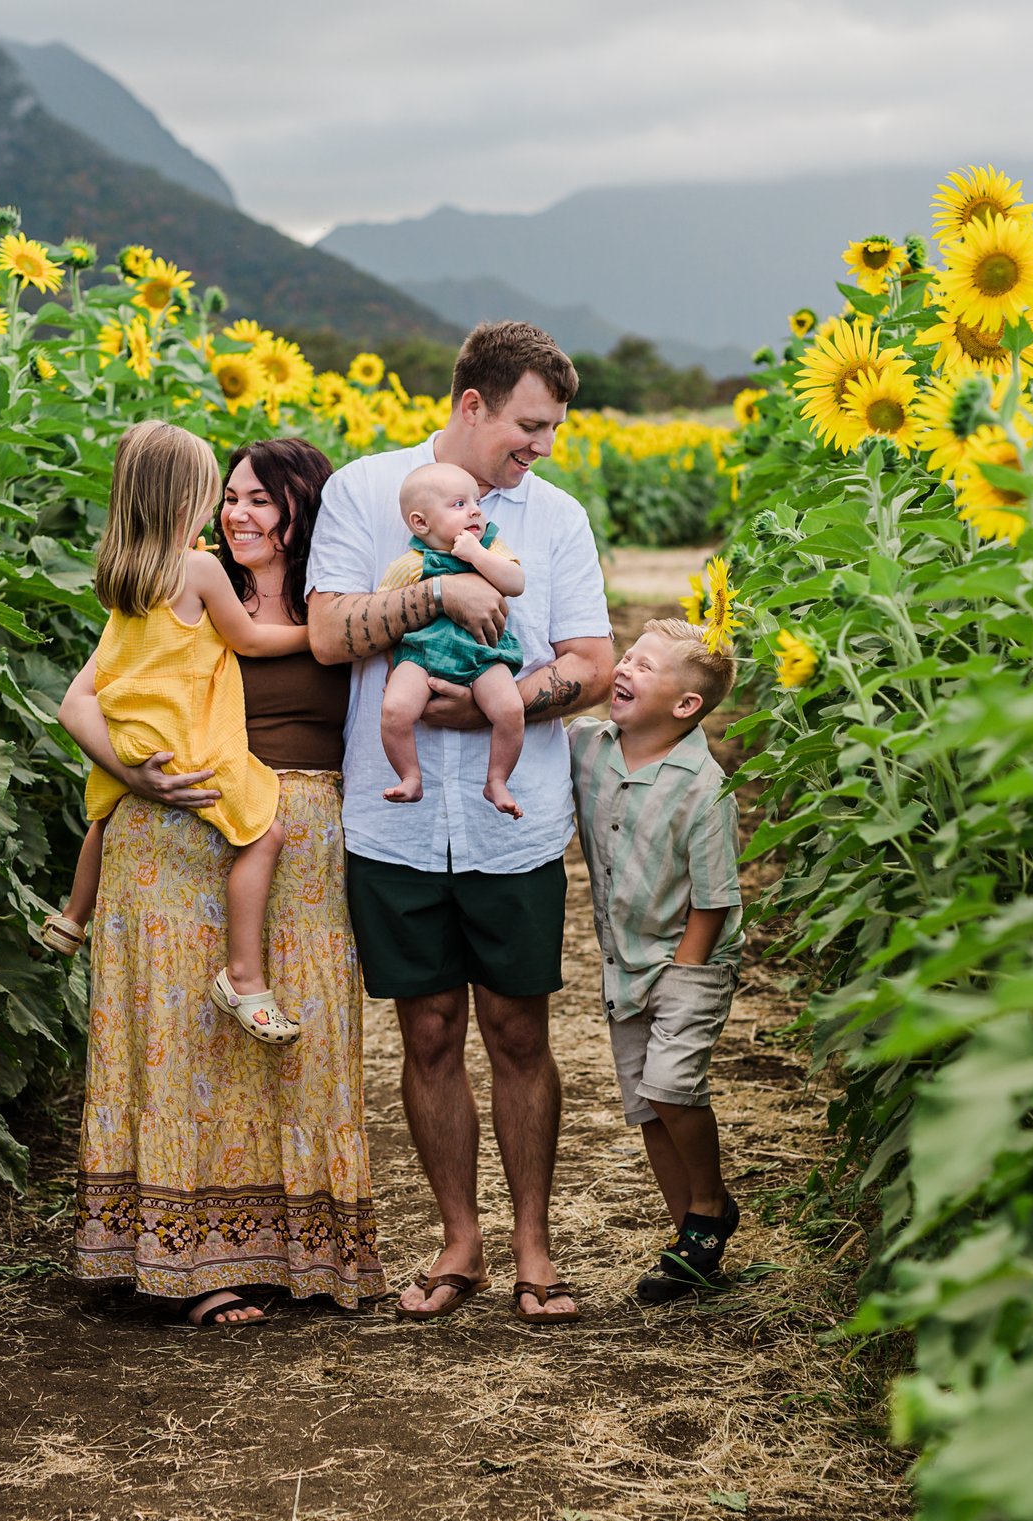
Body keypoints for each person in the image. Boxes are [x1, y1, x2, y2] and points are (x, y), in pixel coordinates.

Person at [306, 321, 617, 1325]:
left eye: (553, 428)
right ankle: (459, 1241)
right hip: (391, 819)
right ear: (471, 403)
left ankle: (534, 1244)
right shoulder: (364, 492)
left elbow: (592, 662)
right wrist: (437, 591)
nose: (542, 446)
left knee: (519, 1029)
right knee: (428, 1029)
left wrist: (510, 695)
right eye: (529, 425)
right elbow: (323, 630)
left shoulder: (554, 519)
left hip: (510, 817)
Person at [63, 437, 381, 1326]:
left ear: (298, 510)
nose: (237, 514)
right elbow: (86, 696)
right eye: (229, 496)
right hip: (183, 834)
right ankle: (196, 1265)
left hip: (301, 842)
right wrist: (139, 773)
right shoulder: (191, 585)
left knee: (301, 1044)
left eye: (259, 500)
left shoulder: (336, 598)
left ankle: (298, 1254)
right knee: (192, 1048)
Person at [45, 420, 307, 1045]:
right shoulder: (200, 571)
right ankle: (243, 976)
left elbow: (89, 688)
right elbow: (246, 639)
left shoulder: (123, 575)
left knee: (102, 824)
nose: (224, 511)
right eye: (217, 494)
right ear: (186, 500)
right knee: (263, 835)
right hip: (188, 745)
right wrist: (316, 637)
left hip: (130, 740)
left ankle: (71, 919)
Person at [569, 619, 746, 1303]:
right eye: (628, 657)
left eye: (646, 666)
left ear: (685, 707)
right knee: (646, 1104)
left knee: (672, 1086)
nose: (625, 669)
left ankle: (709, 1204)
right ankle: (692, 1243)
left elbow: (713, 898)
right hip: (624, 961)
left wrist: (680, 975)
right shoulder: (587, 749)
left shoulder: (703, 786)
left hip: (687, 959)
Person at [379, 462, 528, 816]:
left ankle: (497, 780)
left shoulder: (491, 547)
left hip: (483, 652)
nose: (475, 509)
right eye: (459, 504)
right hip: (422, 655)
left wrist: (477, 554)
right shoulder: (410, 564)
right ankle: (410, 776)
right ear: (421, 523)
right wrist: (392, 667)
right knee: (395, 710)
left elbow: (515, 582)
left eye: (476, 501)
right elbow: (386, 615)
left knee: (510, 710)